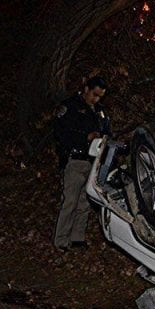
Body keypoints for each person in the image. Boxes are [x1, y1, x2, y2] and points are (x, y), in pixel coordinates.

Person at [53, 76, 110, 251]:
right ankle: (61, 240)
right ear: (86, 89)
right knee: (70, 201)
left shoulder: (100, 111)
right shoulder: (70, 106)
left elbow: (107, 132)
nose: (96, 99)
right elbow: (61, 134)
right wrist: (84, 138)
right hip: (75, 160)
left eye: (100, 96)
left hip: (93, 162)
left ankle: (77, 238)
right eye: (94, 94)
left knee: (85, 201)